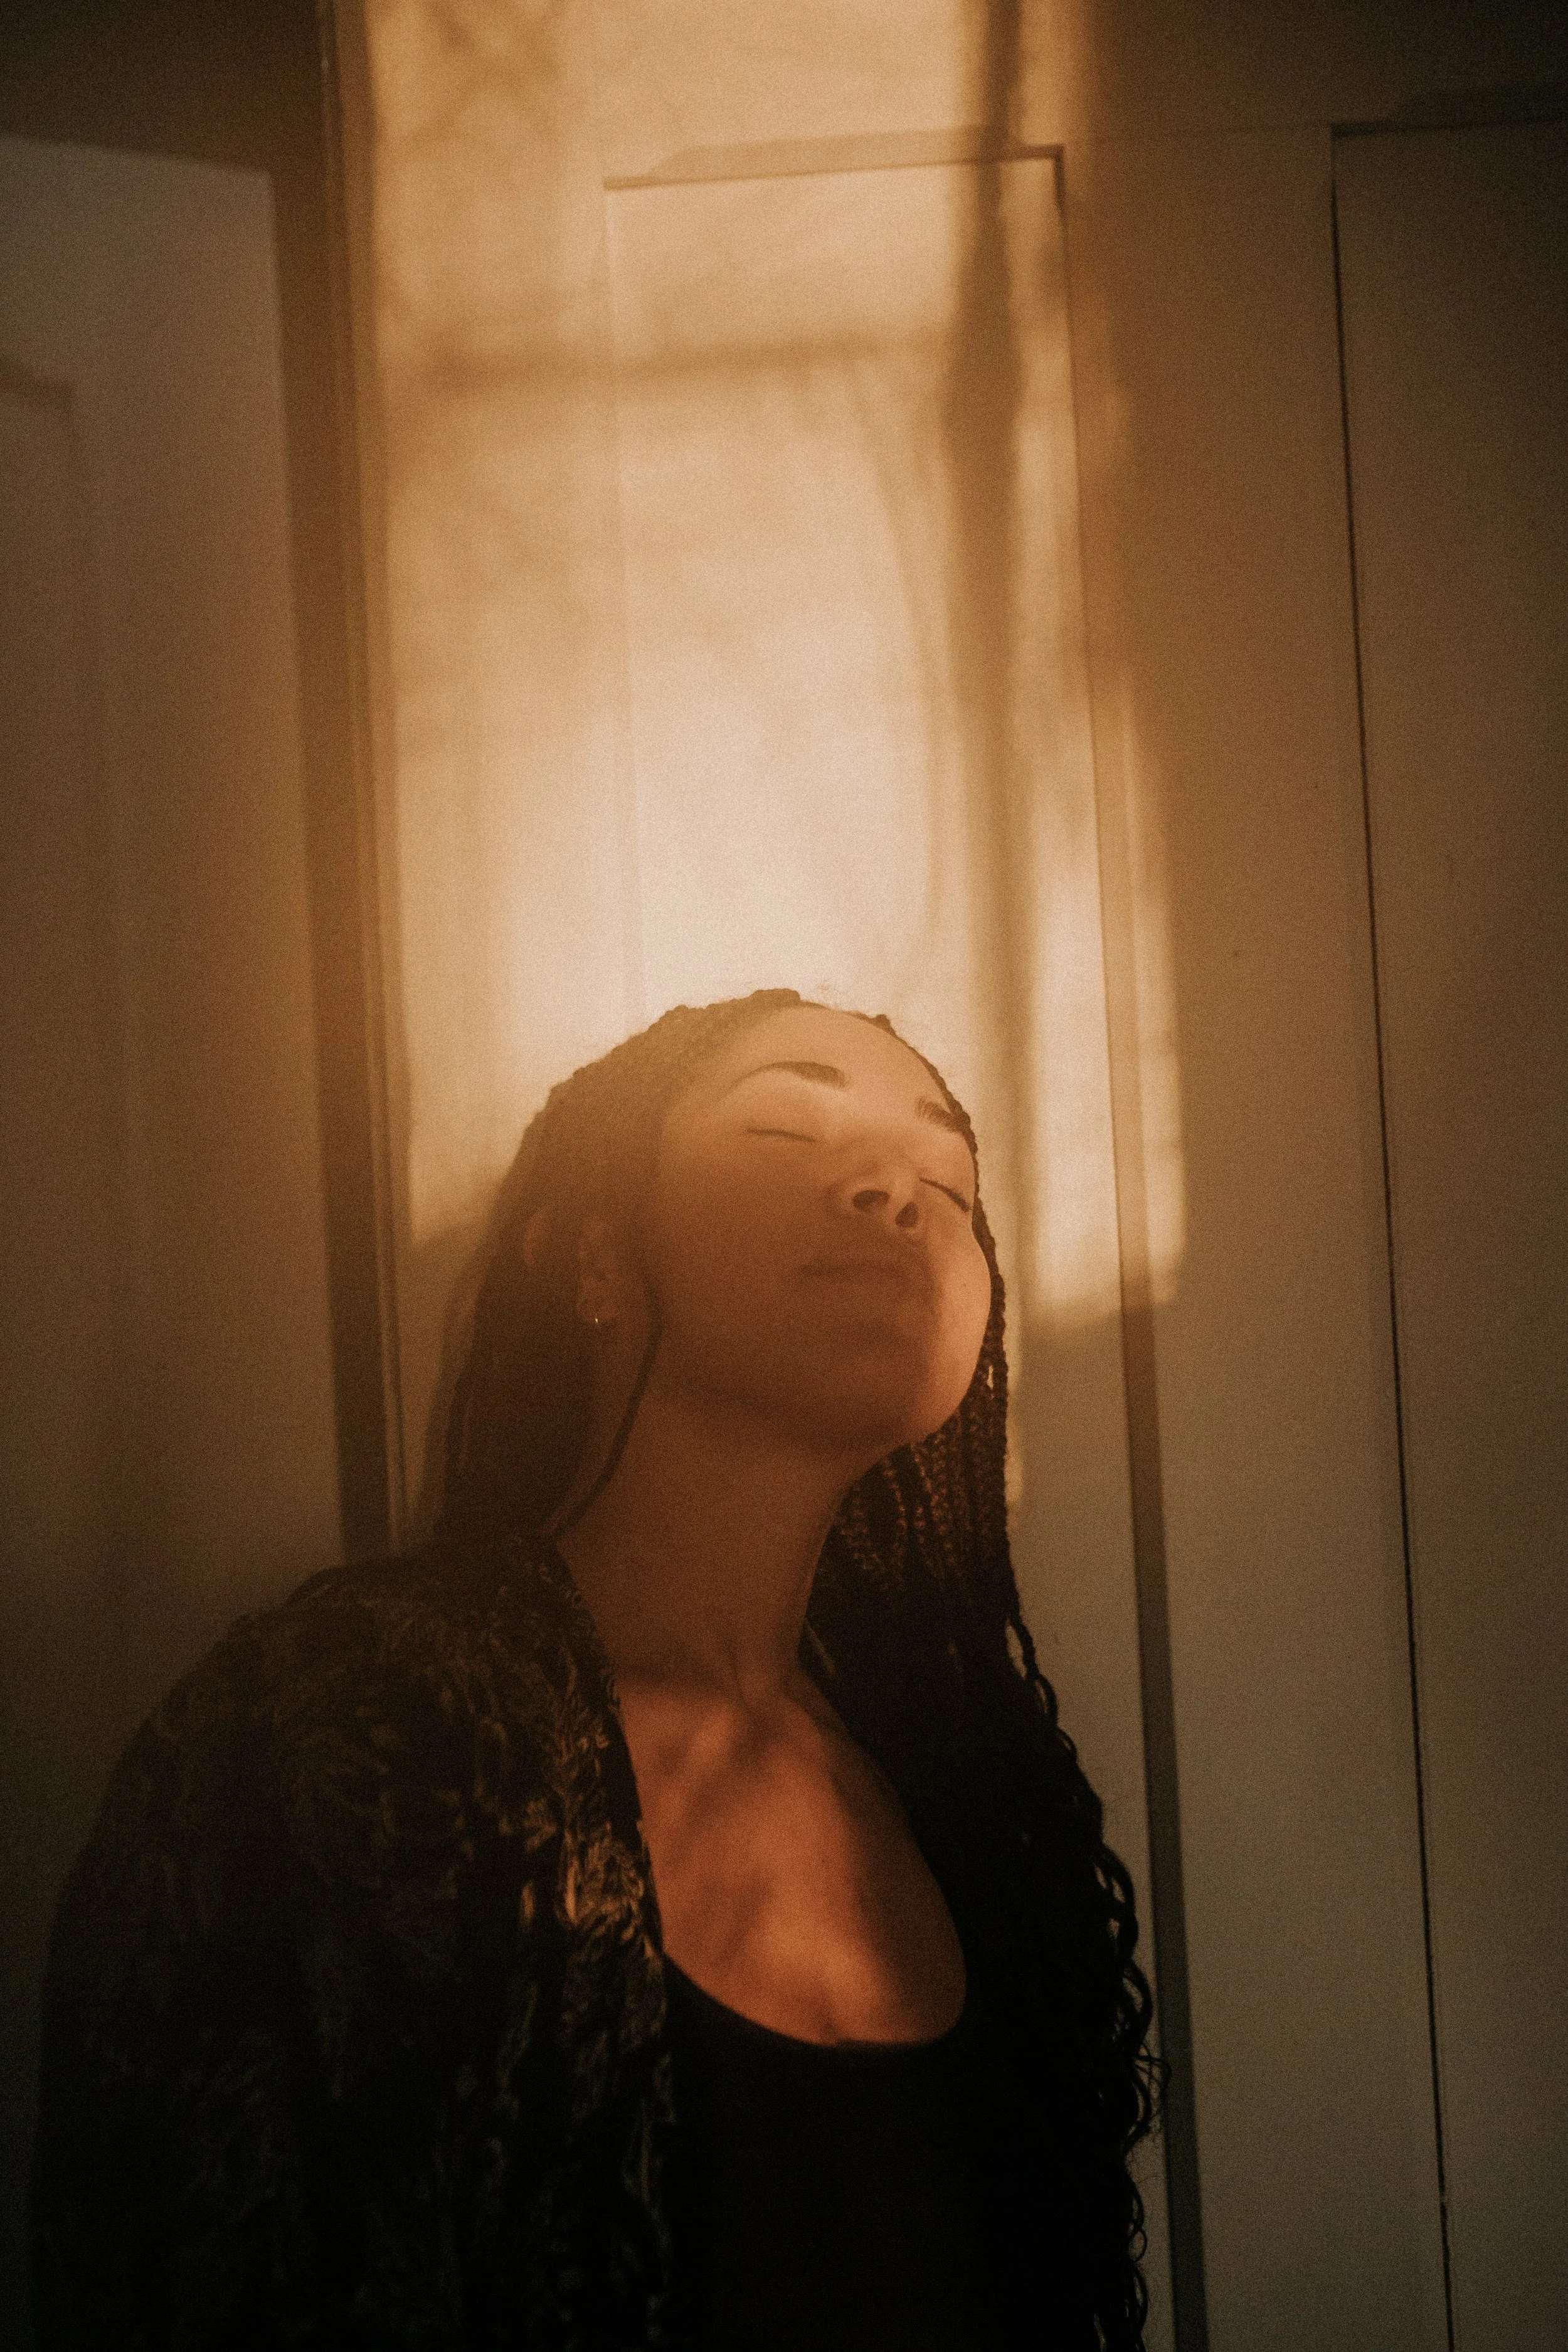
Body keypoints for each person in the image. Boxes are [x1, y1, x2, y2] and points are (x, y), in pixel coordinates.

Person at [31, 988, 1161, 2349]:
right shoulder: (340, 1721)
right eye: (785, 1129)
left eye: (952, 1184)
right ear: (595, 1261)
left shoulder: (974, 1798)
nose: (895, 1193)